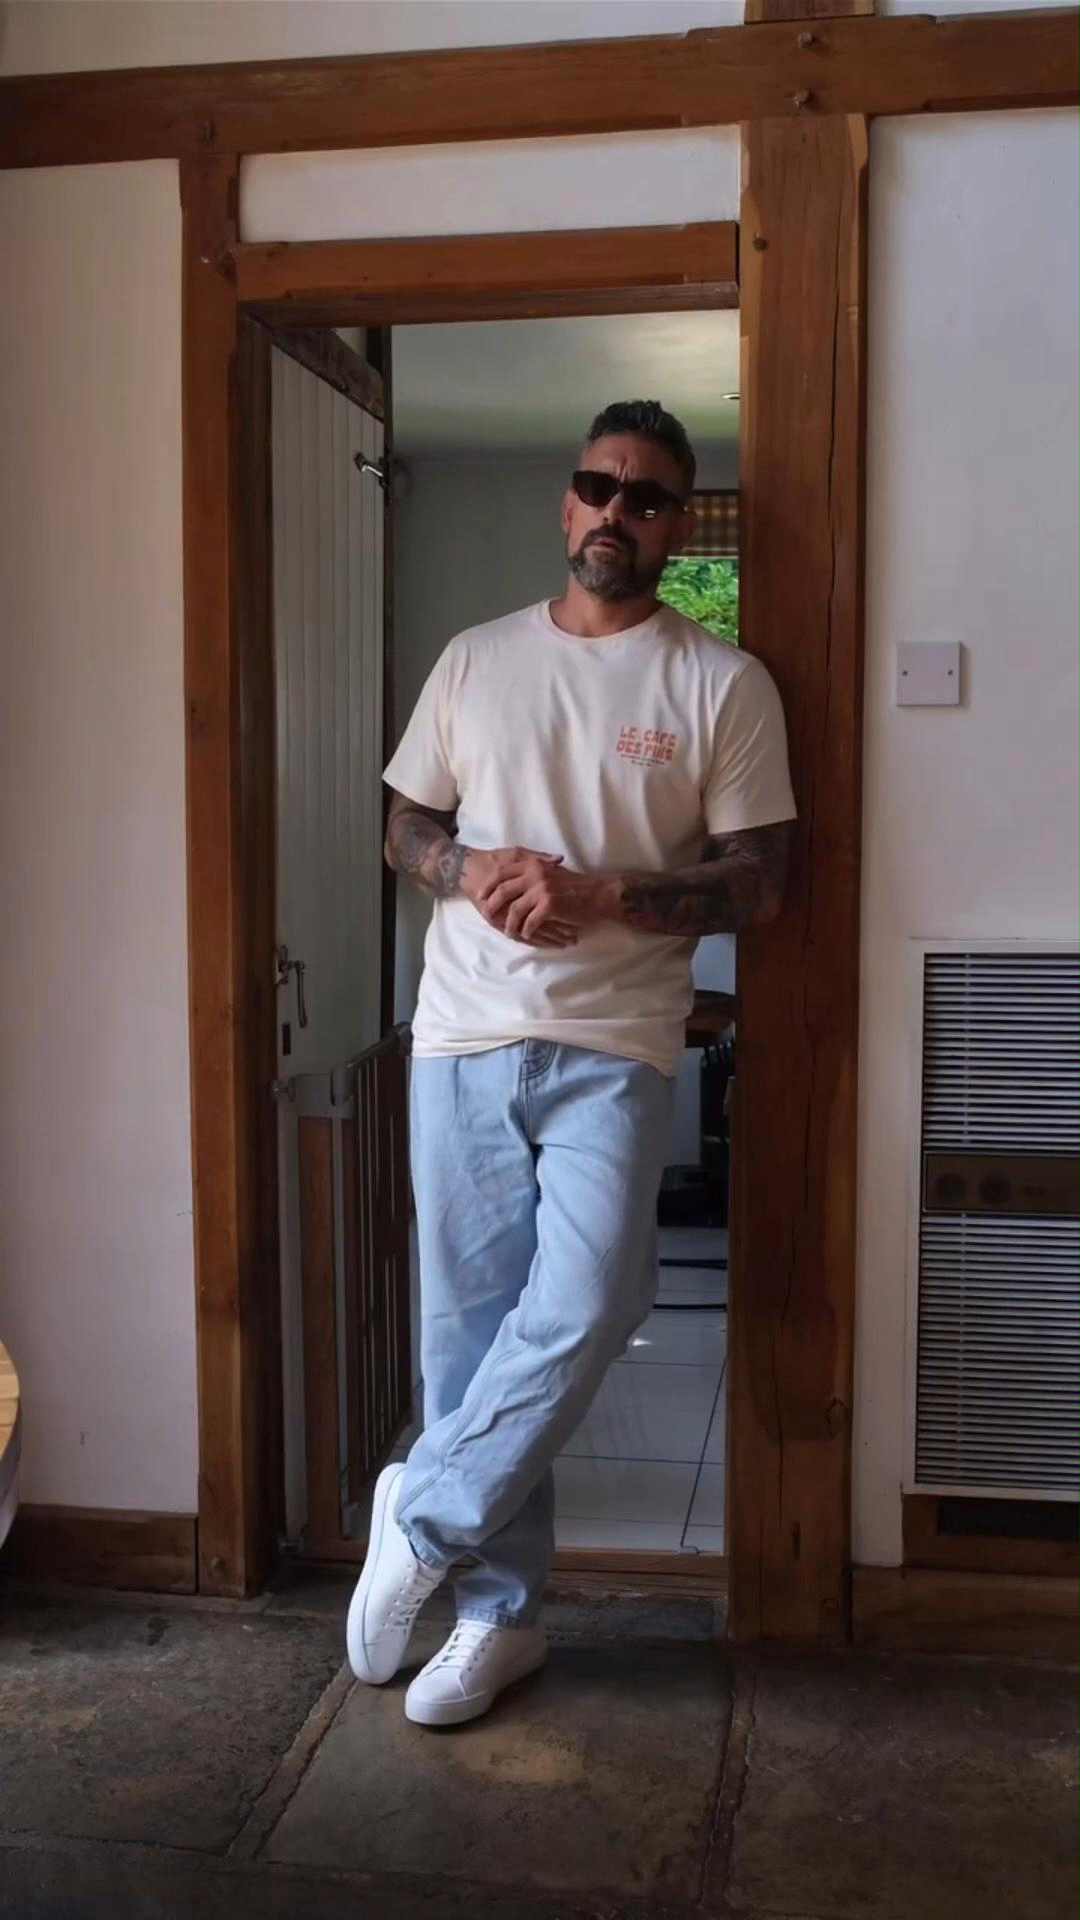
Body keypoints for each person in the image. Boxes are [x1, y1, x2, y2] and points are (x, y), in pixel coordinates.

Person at [346, 399, 795, 1727]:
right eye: (599, 485)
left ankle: (421, 1518)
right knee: (469, 1338)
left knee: (596, 1298)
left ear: (679, 525)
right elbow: (404, 825)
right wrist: (467, 865)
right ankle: (500, 1617)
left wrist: (596, 891)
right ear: (567, 501)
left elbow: (762, 883)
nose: (616, 511)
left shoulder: (721, 683)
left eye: (646, 496)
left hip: (616, 1043)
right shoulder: (476, 660)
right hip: (462, 1036)